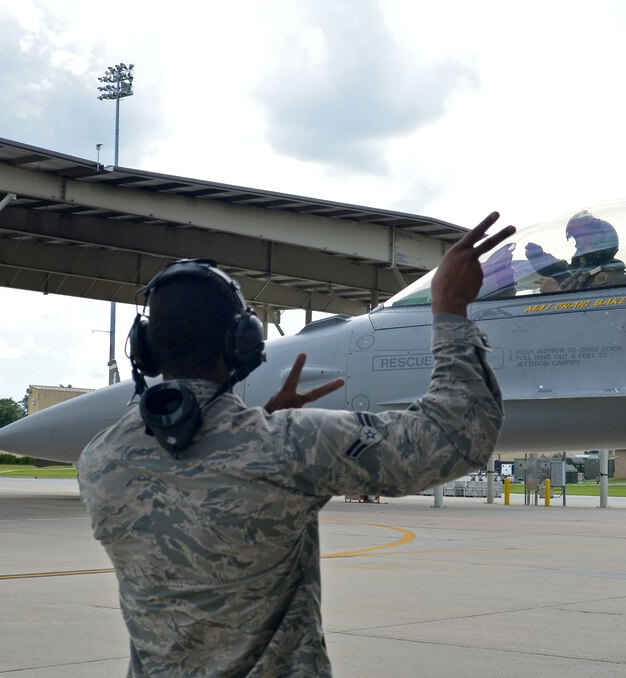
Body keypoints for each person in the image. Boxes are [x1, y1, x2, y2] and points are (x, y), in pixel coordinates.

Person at [76, 212, 515, 677]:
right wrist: (448, 310)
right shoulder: (287, 447)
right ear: (242, 343)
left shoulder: (100, 461)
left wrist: (263, 420)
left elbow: (199, 471)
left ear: (144, 347)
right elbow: (452, 438)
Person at [524, 210, 625, 292]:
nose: (577, 245)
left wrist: (555, 291)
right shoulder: (584, 273)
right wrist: (538, 257)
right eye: (576, 239)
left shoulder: (609, 276)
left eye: (581, 238)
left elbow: (588, 311)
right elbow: (561, 271)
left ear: (600, 241)